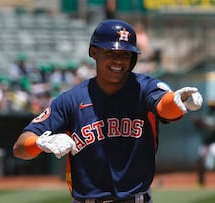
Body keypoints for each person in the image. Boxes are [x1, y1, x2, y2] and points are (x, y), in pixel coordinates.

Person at [13, 19, 203, 203]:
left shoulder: (144, 88)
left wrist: (177, 101)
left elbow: (164, 106)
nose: (118, 61)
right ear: (94, 52)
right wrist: (39, 142)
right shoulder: (71, 100)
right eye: (110, 53)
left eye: (125, 54)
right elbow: (19, 148)